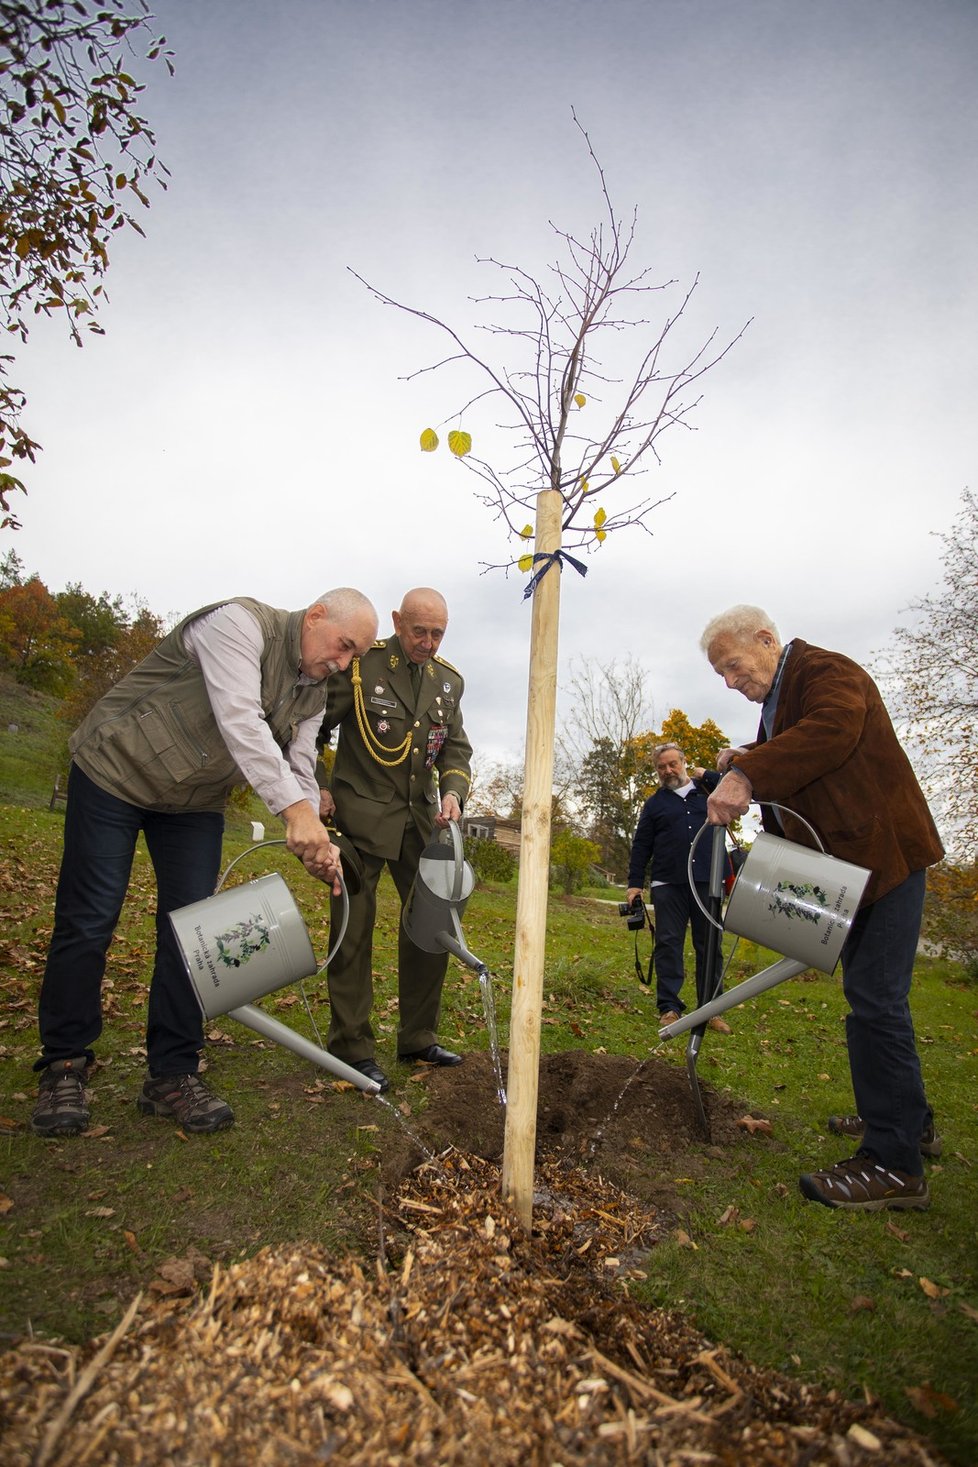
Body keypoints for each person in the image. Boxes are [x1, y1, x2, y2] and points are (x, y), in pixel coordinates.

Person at [31, 589, 379, 1139]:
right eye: (342, 646)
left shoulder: (318, 689)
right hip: (114, 772)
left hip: (192, 803)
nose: (342, 663)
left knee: (191, 934)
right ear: (315, 617)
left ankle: (172, 1073)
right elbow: (240, 720)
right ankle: (63, 1065)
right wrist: (293, 813)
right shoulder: (237, 625)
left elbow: (300, 765)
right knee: (90, 918)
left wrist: (313, 833)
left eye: (353, 656)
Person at [700, 604, 944, 1212]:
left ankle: (894, 1165)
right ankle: (907, 1123)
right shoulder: (780, 701)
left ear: (766, 639)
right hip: (853, 869)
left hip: (884, 860)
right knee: (875, 1002)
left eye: (732, 667)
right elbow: (793, 752)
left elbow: (831, 731)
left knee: (876, 1006)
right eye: (721, 676)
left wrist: (749, 773)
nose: (731, 683)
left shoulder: (827, 673)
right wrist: (746, 757)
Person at [317, 587, 472, 1093]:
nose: (428, 642)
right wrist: (315, 787)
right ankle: (352, 1046)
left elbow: (455, 751)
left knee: (433, 927)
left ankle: (417, 1037)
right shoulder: (362, 669)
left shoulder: (448, 683)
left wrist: (451, 792)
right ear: (398, 621)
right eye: (419, 631)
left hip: (419, 823)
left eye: (438, 633)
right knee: (353, 931)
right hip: (358, 818)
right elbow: (311, 729)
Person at [625, 743, 730, 1033]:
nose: (668, 770)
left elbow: (737, 788)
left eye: (673, 764)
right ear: (657, 770)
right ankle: (669, 1007)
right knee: (668, 944)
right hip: (668, 882)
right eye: (661, 767)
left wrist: (708, 774)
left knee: (709, 945)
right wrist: (635, 884)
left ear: (684, 762)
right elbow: (642, 845)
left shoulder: (710, 792)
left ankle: (711, 1009)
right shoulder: (655, 804)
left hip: (707, 880)